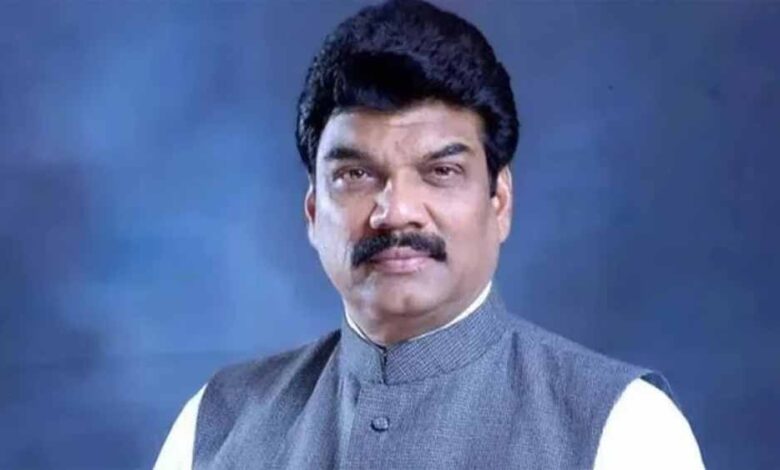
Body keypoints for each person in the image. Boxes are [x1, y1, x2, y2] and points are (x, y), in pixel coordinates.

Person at [155, 1, 704, 468]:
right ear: (313, 210)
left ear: (499, 201)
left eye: (441, 171)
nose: (396, 213)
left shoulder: (625, 427)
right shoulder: (216, 425)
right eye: (356, 174)